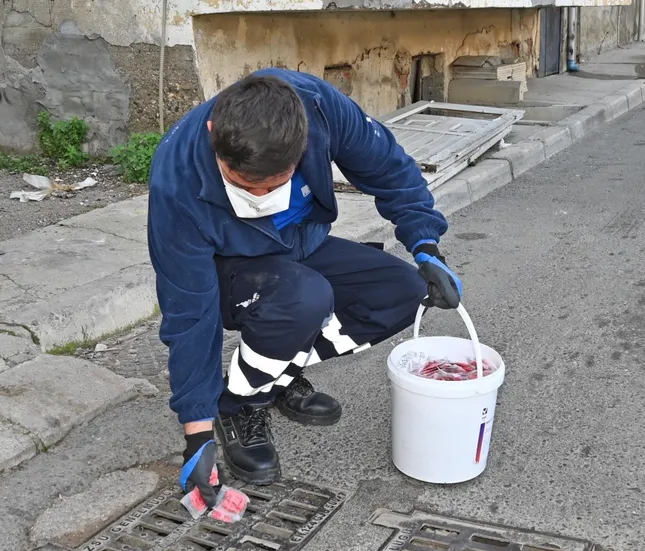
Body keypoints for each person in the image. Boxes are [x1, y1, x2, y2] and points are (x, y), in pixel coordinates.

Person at [147, 68, 463, 510]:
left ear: (304, 143)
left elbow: (391, 170)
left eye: (274, 183)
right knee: (303, 297)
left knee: (404, 293)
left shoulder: (320, 110)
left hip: (297, 245)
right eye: (242, 183)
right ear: (214, 132)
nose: (259, 195)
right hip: (227, 271)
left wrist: (426, 248)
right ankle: (238, 408)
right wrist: (196, 434)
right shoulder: (176, 179)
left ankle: (266, 379)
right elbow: (188, 313)